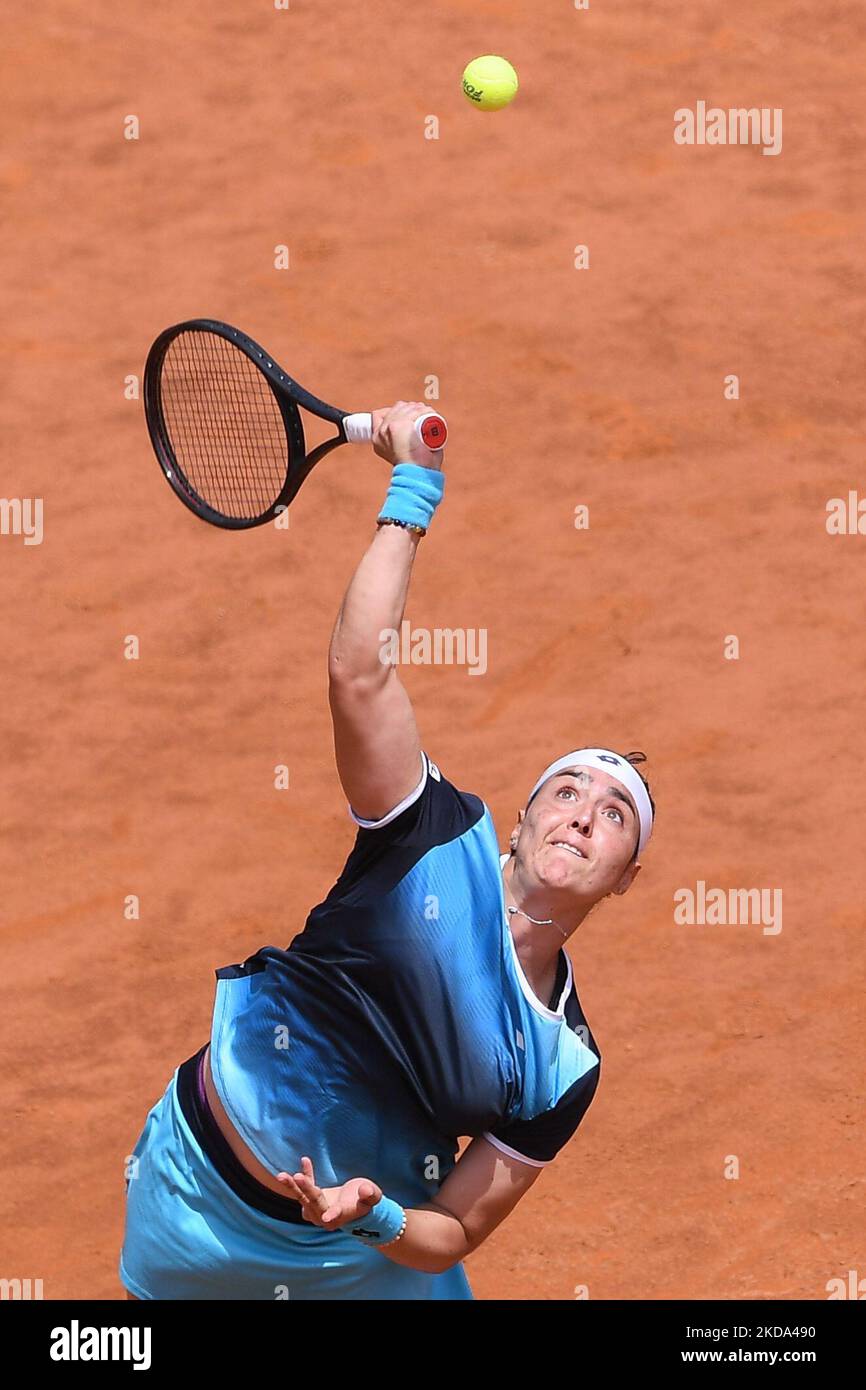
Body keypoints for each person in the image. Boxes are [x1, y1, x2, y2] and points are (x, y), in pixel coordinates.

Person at [119, 402, 655, 1300]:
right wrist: (414, 490)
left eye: (615, 814)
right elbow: (359, 671)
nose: (583, 815)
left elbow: (454, 1231)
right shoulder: (427, 834)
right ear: (518, 821)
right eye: (566, 791)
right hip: (198, 1208)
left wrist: (377, 1215)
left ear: (627, 878)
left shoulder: (565, 1065)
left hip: (359, 1258)